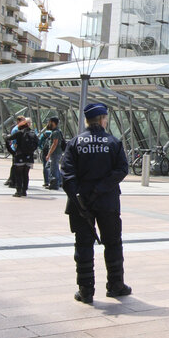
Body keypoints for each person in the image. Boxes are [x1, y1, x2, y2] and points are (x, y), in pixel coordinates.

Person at [60, 103, 130, 304]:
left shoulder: (75, 143)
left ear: (87, 120)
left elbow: (67, 175)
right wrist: (101, 188)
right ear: (102, 119)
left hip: (81, 204)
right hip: (108, 201)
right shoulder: (113, 142)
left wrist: (79, 197)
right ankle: (116, 285)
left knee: (83, 245)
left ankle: (85, 290)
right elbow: (122, 169)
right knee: (113, 243)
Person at [5, 118, 38, 197]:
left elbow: (8, 138)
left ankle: (18, 191)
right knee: (26, 174)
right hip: (29, 157)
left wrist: (6, 138)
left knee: (19, 174)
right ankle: (24, 191)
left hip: (20, 156)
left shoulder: (19, 133)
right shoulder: (33, 133)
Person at [4, 115, 25, 188]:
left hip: (16, 149)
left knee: (15, 165)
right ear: (18, 121)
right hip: (16, 149)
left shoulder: (18, 129)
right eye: (22, 120)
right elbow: (14, 141)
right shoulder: (17, 129)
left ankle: (11, 179)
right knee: (15, 165)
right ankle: (12, 180)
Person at [45, 116, 64, 190]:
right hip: (56, 152)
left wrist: (49, 154)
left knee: (53, 168)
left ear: (52, 122)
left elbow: (54, 144)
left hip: (55, 153)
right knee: (52, 167)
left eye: (49, 122)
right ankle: (59, 182)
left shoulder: (56, 132)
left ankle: (54, 184)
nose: (48, 123)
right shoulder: (56, 131)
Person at [38, 122, 53, 188]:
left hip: (45, 152)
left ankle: (46, 181)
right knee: (53, 166)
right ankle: (54, 180)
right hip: (52, 152)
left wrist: (42, 148)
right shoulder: (54, 133)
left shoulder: (43, 134)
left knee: (45, 166)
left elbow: (39, 143)